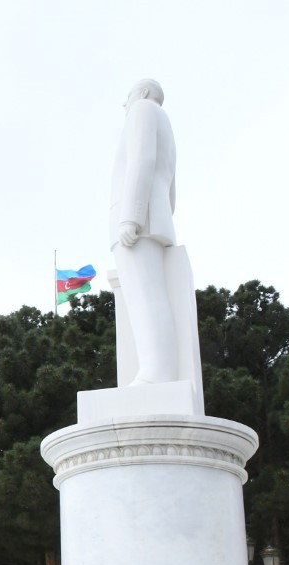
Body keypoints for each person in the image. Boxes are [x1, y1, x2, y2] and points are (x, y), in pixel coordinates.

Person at [110, 78, 180, 385]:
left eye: (127, 97)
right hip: (156, 214)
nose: (124, 104)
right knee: (149, 294)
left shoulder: (141, 110)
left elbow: (141, 159)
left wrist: (131, 216)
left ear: (141, 93)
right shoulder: (165, 125)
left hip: (139, 219)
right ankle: (156, 368)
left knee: (143, 295)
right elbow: (171, 188)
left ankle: (156, 371)